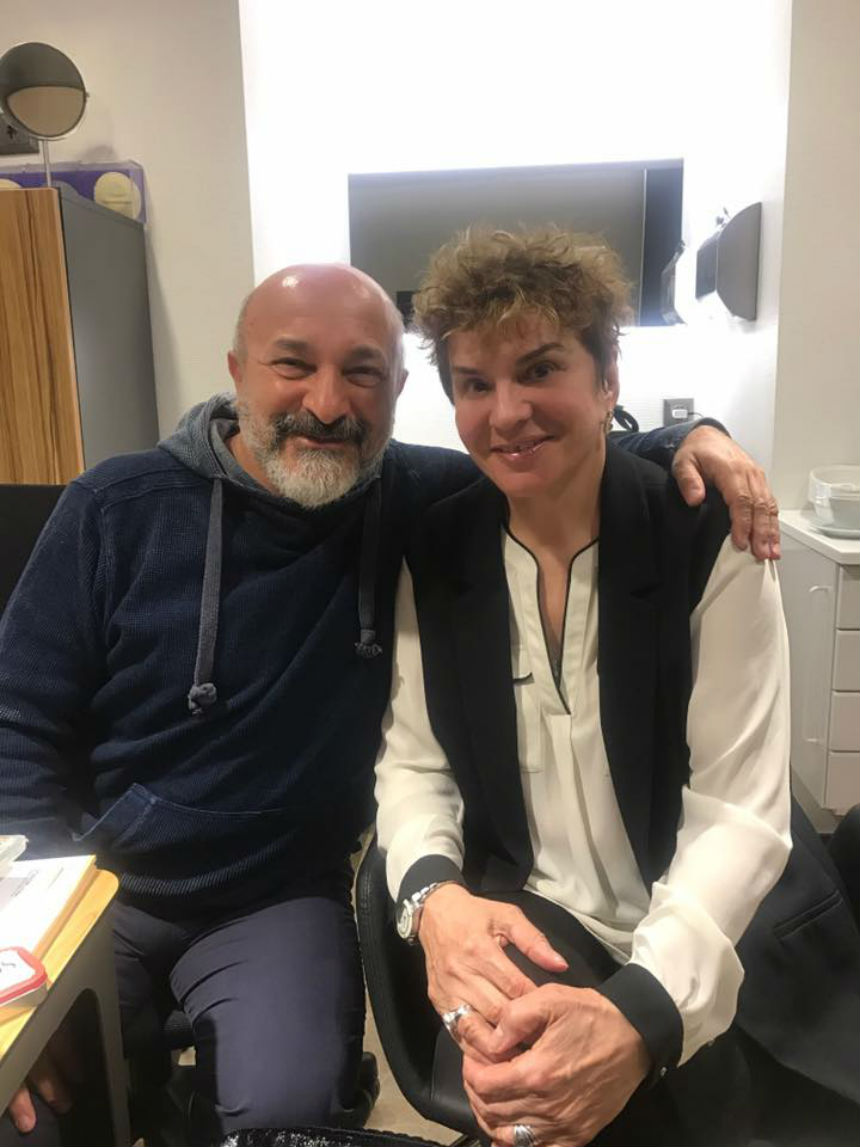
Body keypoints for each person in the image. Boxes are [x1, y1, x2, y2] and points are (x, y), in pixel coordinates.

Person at [0, 261, 780, 1146]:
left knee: (285, 1120)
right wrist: (29, 957)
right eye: (293, 364)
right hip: (97, 884)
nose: (328, 404)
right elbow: (13, 730)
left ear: (399, 390)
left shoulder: (416, 497)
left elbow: (553, 455)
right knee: (27, 1106)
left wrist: (693, 441)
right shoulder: (111, 509)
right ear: (237, 372)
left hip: (276, 895)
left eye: (362, 372)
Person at [374, 228, 860, 1146]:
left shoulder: (708, 538)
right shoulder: (435, 551)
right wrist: (432, 896)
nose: (506, 411)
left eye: (539, 369)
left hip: (728, 932)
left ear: (607, 380)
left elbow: (739, 813)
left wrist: (642, 1011)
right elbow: (414, 764)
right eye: (474, 384)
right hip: (545, 921)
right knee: (524, 1093)